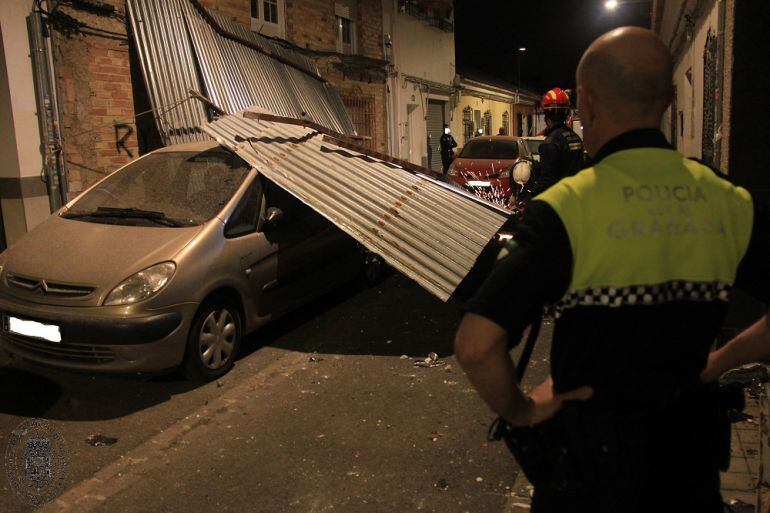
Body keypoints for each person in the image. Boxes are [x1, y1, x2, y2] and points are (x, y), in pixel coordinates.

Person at [454, 26, 770, 513]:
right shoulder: (728, 199)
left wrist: (522, 410)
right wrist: (717, 362)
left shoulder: (565, 209)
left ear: (587, 102)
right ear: (667, 99)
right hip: (688, 468)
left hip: (588, 475)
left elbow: (476, 345)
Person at [531, 87, 585, 194]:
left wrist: (529, 200)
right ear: (566, 114)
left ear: (547, 116)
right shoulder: (575, 137)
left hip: (559, 199)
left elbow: (546, 182)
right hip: (577, 195)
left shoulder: (550, 143)